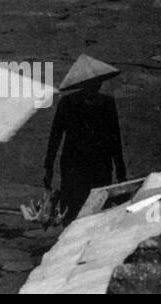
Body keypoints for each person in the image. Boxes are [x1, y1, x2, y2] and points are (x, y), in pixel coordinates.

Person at [43, 56, 126, 225]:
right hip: (96, 165)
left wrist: (48, 167)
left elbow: (55, 138)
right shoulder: (106, 103)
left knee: (73, 210)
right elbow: (114, 140)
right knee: (93, 210)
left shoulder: (67, 103)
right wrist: (120, 173)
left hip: (76, 166)